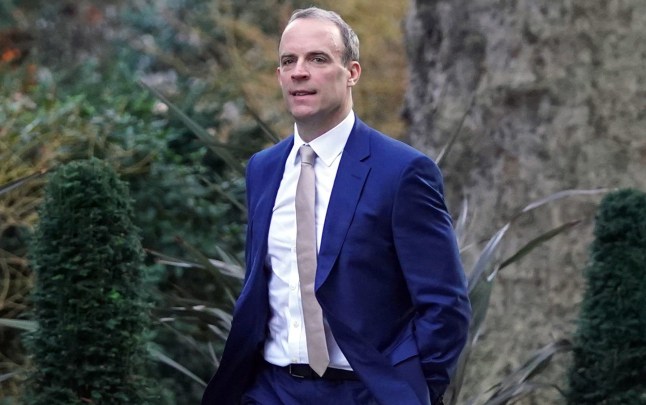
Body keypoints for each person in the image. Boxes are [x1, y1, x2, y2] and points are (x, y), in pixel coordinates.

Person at [202, 7, 471, 405]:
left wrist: (410, 392)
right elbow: (263, 287)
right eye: (288, 61)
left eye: (317, 59)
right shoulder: (263, 169)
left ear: (352, 72)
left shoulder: (402, 172)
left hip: (365, 392)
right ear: (279, 76)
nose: (299, 72)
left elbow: (445, 305)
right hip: (270, 390)